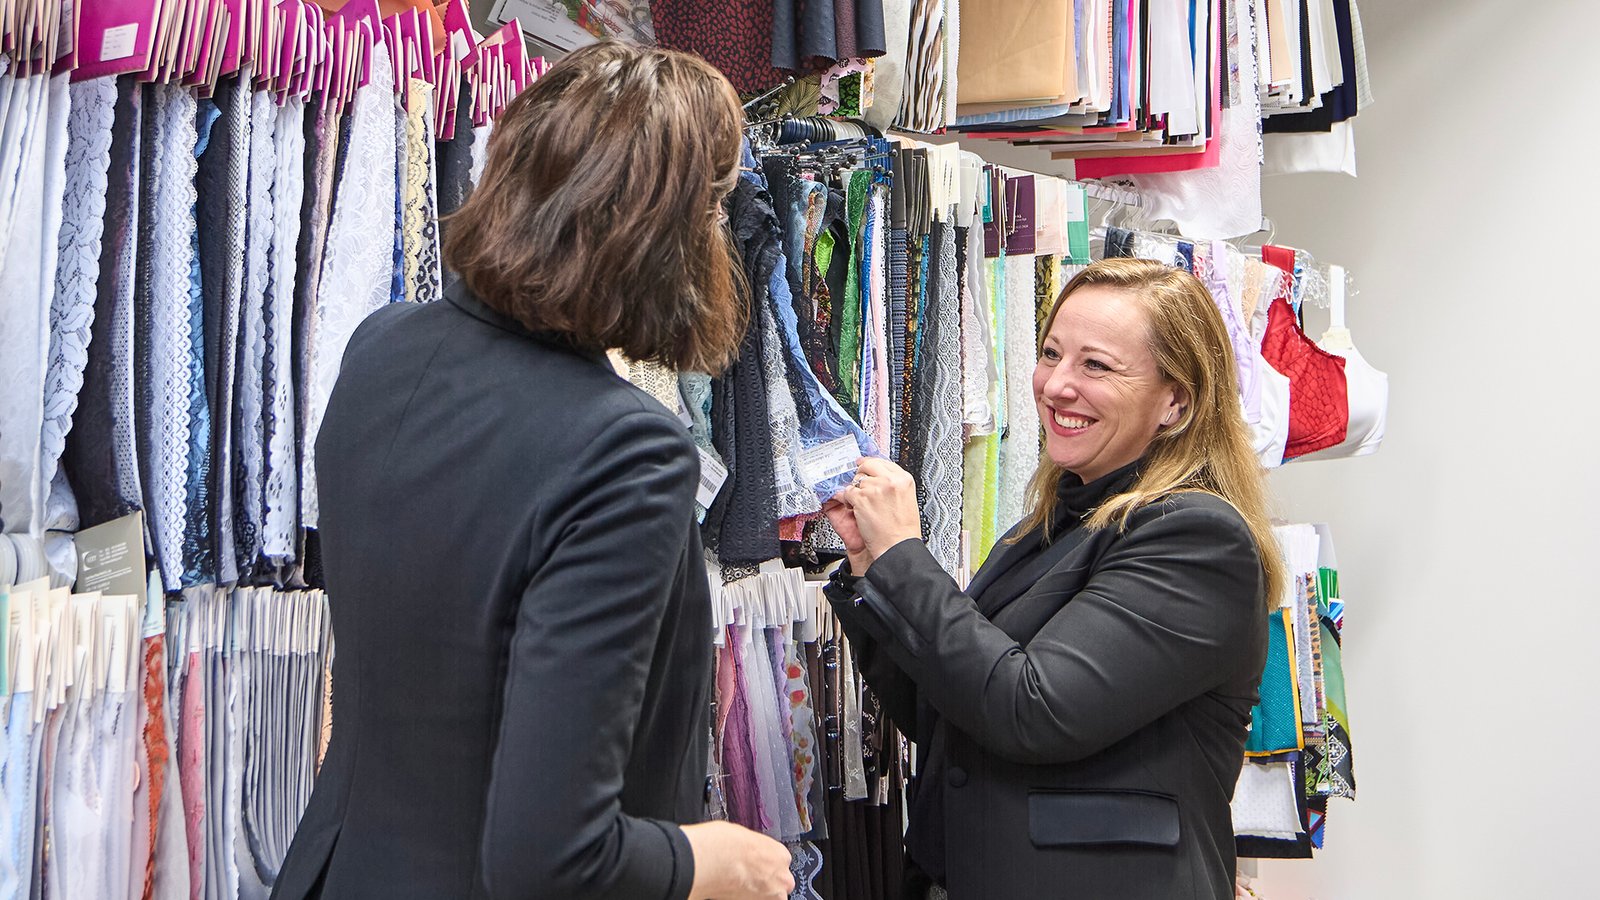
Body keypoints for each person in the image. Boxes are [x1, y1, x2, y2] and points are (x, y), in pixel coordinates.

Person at [274, 42, 794, 900]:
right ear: (662, 233)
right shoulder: (624, 451)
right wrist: (712, 861)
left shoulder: (384, 349)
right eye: (712, 215)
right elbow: (550, 856)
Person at [821, 258, 1285, 899]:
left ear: (1175, 400)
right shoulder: (1047, 527)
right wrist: (874, 568)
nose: (1056, 385)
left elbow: (1032, 710)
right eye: (1050, 354)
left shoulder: (1196, 540)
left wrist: (905, 554)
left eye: (1096, 365)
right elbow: (949, 711)